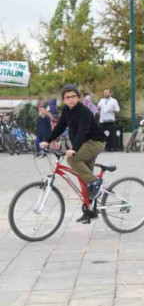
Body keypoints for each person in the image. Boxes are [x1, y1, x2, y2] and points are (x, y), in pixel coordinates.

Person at [40, 85, 107, 222]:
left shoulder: (84, 112)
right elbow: (59, 127)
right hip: (84, 144)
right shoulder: (66, 111)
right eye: (67, 97)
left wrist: (74, 149)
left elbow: (82, 131)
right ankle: (90, 211)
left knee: (73, 160)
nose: (70, 99)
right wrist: (47, 140)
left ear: (78, 97)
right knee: (83, 177)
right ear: (64, 99)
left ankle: (96, 181)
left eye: (73, 96)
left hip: (95, 142)